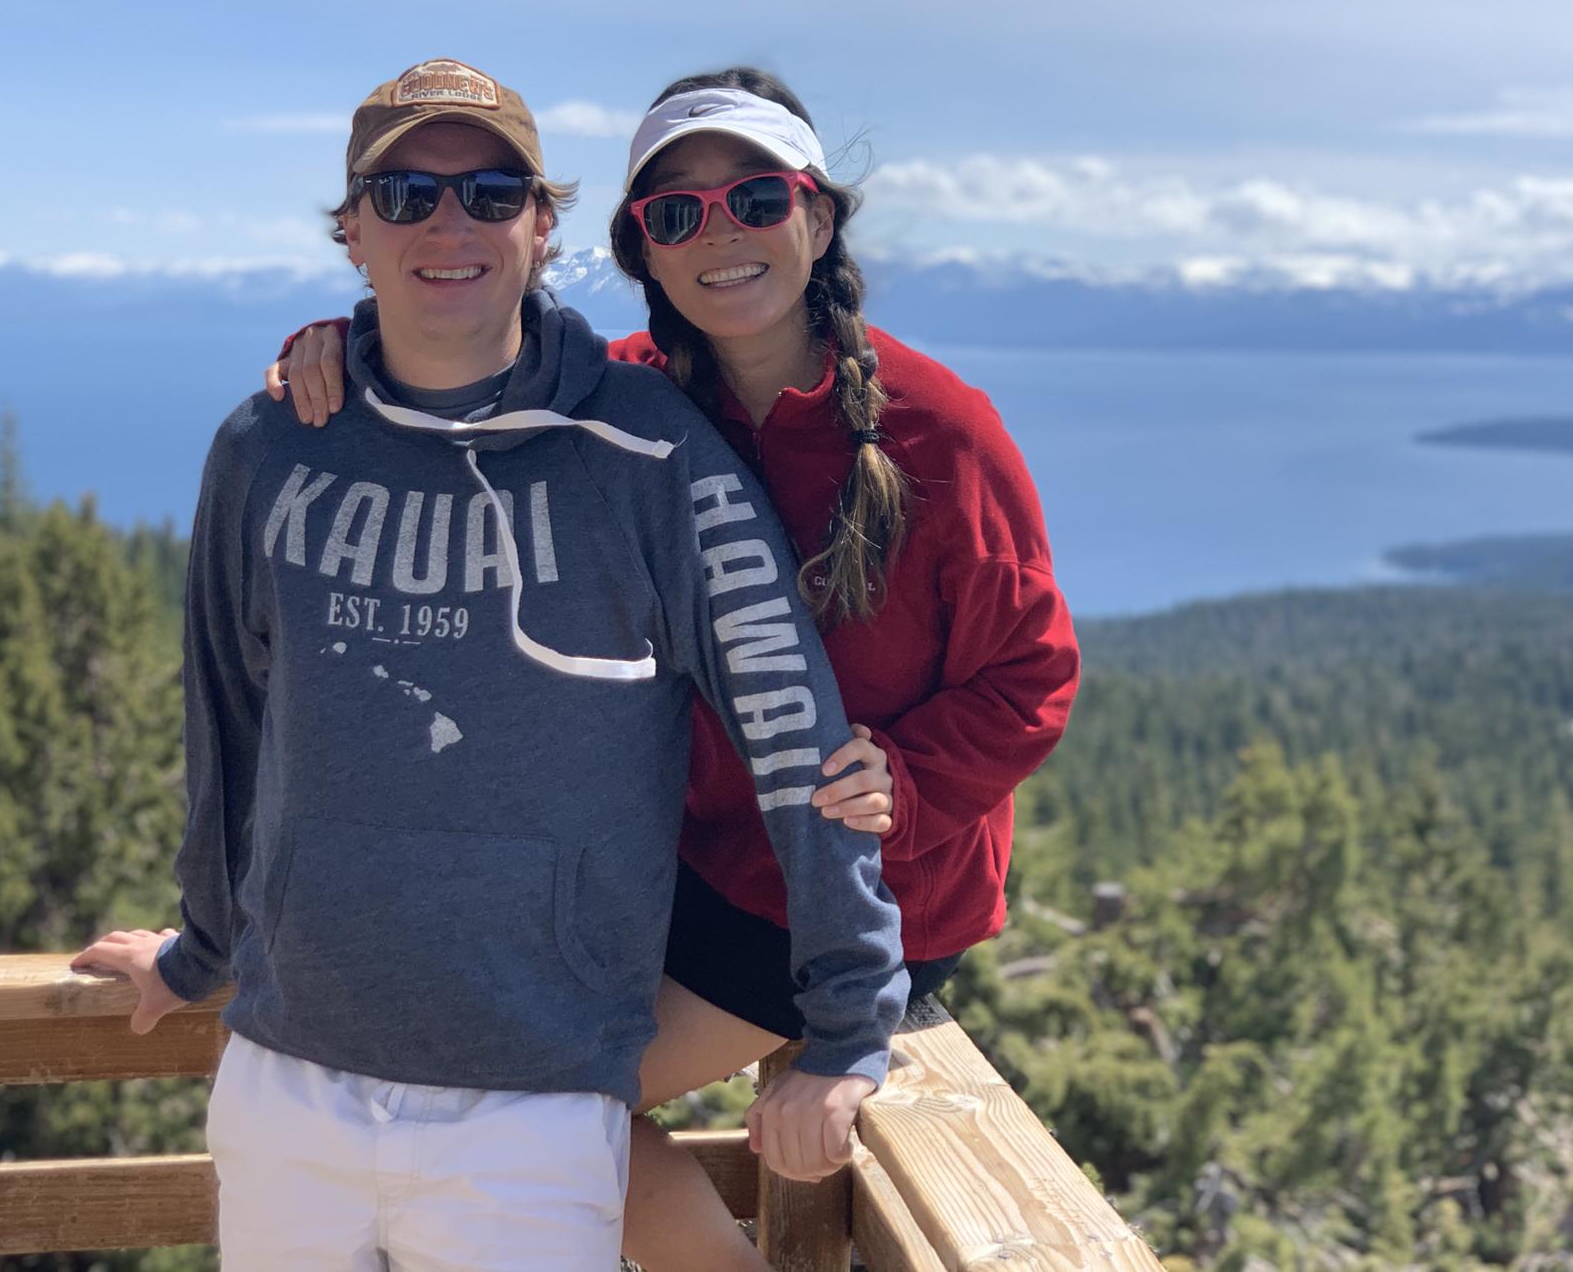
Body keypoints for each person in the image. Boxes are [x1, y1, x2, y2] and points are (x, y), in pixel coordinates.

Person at [72, 58, 908, 1272]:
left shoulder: (651, 462)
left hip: (535, 1099)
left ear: (542, 224)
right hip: (284, 1077)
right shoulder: (267, 445)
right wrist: (199, 950)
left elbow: (795, 739)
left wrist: (844, 1028)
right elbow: (228, 724)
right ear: (352, 231)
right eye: (404, 195)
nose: (447, 223)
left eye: (489, 191)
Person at [266, 66, 1081, 1271]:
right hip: (682, 868)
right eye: (676, 214)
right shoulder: (625, 398)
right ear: (641, 248)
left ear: (815, 217)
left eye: (754, 200)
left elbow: (1031, 676)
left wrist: (900, 779)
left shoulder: (933, 429)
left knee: (516, 1109)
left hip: (851, 884)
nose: (720, 234)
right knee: (456, 1085)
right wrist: (341, 348)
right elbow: (471, 386)